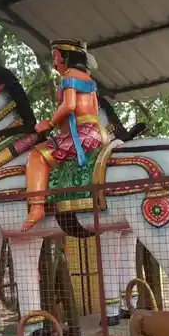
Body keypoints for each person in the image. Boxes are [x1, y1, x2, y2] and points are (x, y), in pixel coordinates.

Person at [22, 38, 107, 231]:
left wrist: (49, 124)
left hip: (83, 134)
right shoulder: (87, 78)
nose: (54, 63)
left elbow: (69, 105)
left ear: (66, 58)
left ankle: (36, 207)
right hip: (95, 131)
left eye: (55, 57)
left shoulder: (69, 77)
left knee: (36, 155)